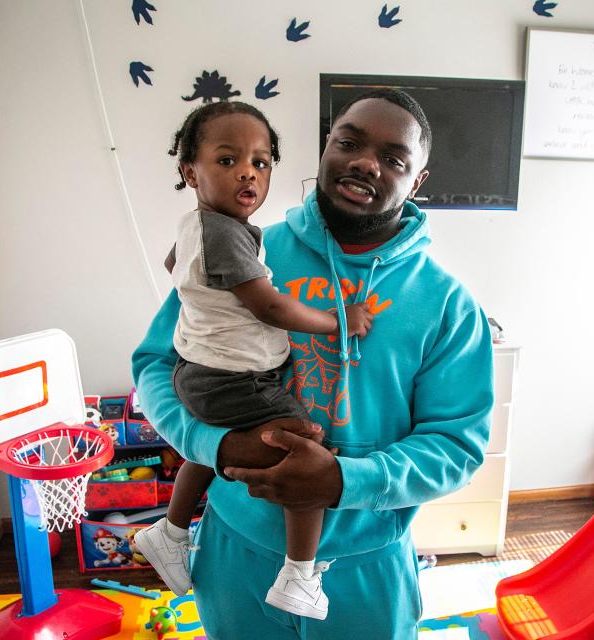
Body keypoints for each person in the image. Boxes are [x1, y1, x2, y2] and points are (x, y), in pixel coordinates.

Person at [132, 89, 495, 639]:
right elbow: (159, 365)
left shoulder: (447, 304)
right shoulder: (244, 252)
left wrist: (343, 480)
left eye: (394, 158)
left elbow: (456, 446)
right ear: (326, 148)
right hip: (236, 555)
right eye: (349, 142)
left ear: (418, 180)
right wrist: (218, 446)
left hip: (366, 570)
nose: (365, 162)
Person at [132, 101, 373, 621]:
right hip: (237, 377)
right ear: (189, 171)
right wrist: (340, 320)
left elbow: (175, 264)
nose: (248, 171)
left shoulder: (197, 226)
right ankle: (300, 574)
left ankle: (170, 532)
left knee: (210, 443)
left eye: (261, 163)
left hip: (199, 374)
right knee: (305, 454)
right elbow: (268, 305)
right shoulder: (223, 232)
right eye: (227, 160)